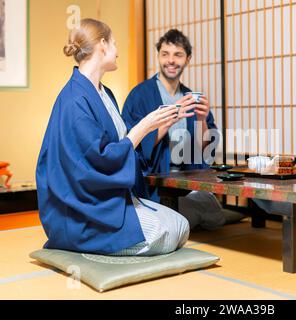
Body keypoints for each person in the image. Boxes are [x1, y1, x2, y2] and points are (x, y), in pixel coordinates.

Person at [36, 19, 191, 256]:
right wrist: (144, 126)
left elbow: (120, 148)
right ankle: (84, 240)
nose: (117, 51)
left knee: (181, 225)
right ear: (102, 45)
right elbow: (98, 160)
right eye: (115, 43)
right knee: (170, 231)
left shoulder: (104, 93)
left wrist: (150, 127)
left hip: (108, 199)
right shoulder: (74, 100)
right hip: (84, 209)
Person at [122, 29, 232, 231]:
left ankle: (178, 217)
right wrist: (173, 115)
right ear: (159, 57)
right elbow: (131, 143)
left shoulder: (191, 97)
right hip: (155, 183)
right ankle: (171, 217)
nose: (171, 60)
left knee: (213, 213)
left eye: (178, 55)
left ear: (187, 59)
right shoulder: (140, 95)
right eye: (165, 54)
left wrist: (201, 119)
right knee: (188, 216)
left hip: (187, 183)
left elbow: (206, 149)